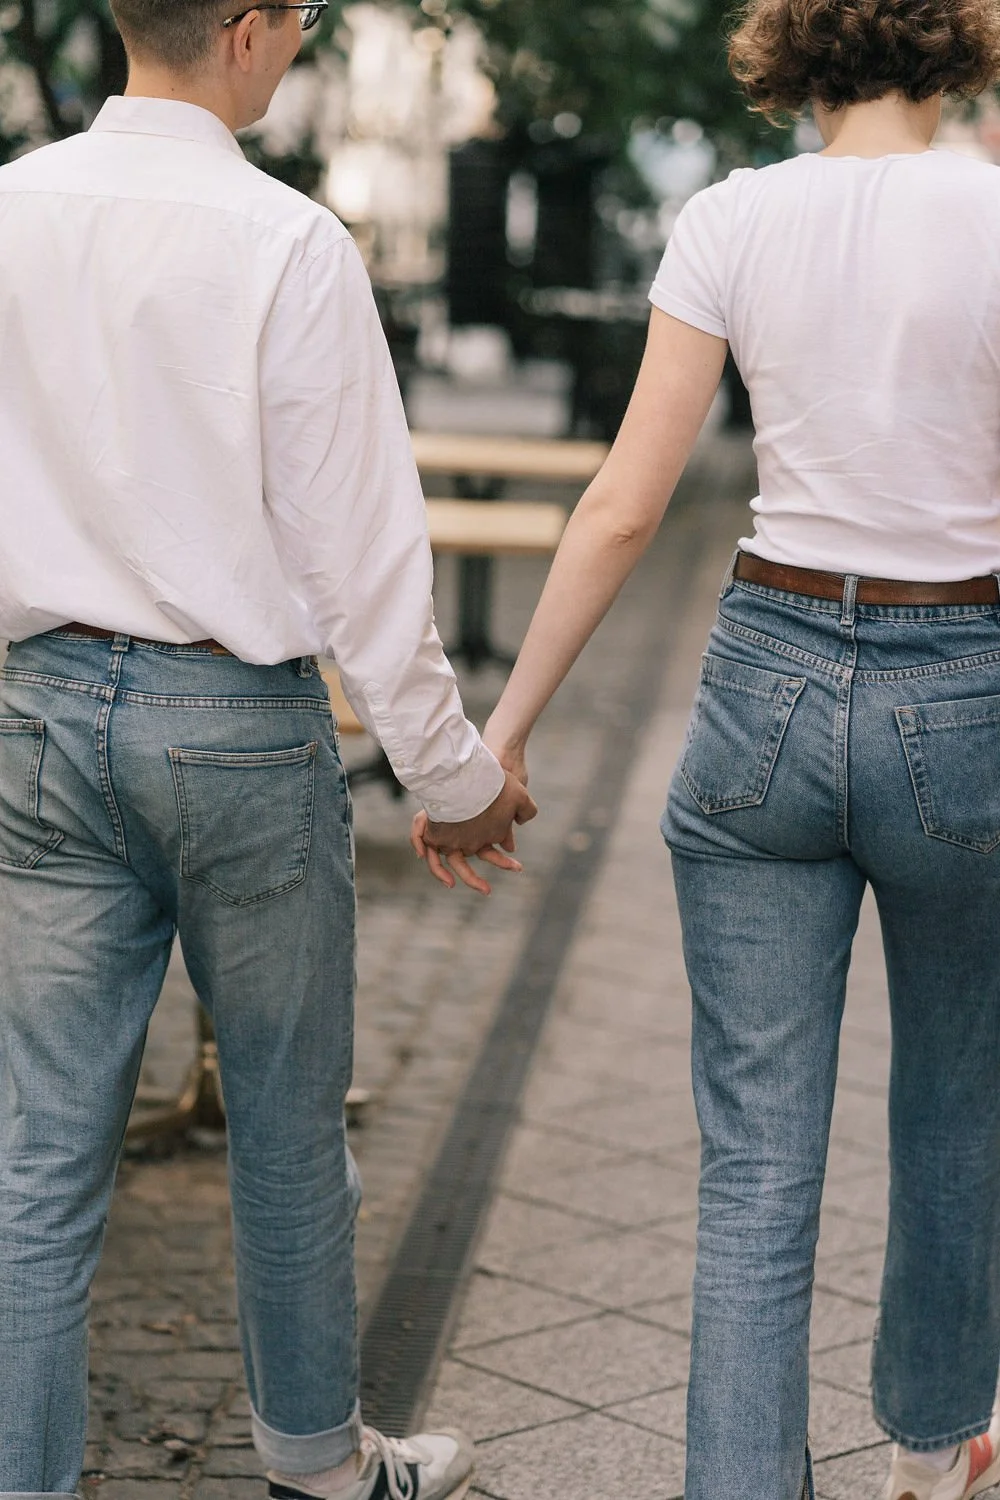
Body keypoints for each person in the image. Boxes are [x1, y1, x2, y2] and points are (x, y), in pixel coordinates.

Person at [416, 2, 1000, 1496]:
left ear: (797, 47)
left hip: (766, 687)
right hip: (963, 681)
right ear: (957, 43)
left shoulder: (732, 217)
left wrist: (498, 741)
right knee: (959, 1109)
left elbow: (624, 503)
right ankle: (934, 1447)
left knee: (753, 1159)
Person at [0, 3, 537, 1498]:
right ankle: (318, 1462)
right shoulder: (288, 243)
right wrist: (454, 779)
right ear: (243, 31)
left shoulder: (12, 209)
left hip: (43, 710)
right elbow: (362, 560)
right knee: (290, 1134)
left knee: (39, 1152)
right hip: (235, 724)